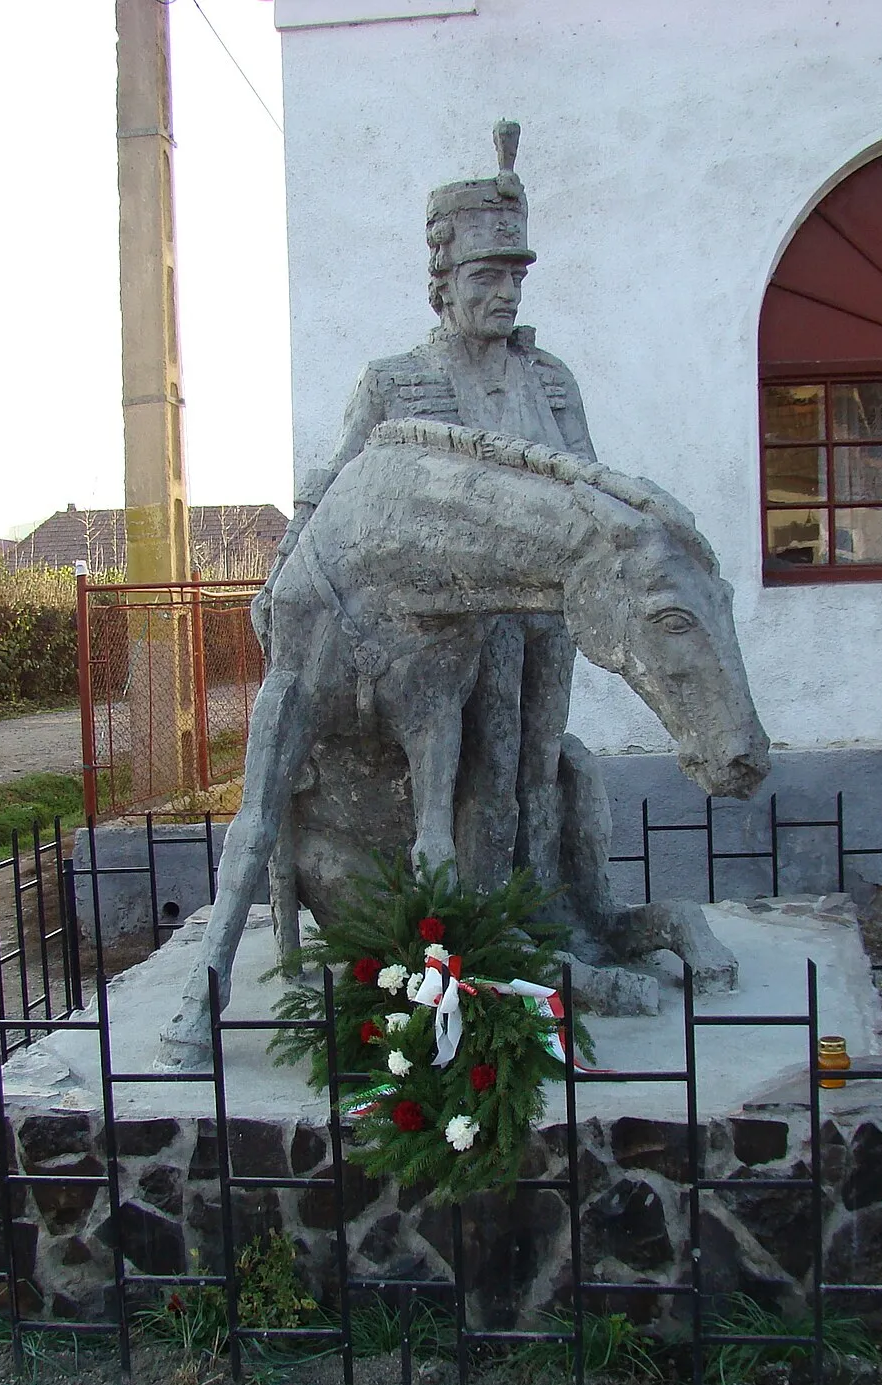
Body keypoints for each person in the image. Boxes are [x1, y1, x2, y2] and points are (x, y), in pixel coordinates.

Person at [260, 121, 592, 891]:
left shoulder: (551, 381)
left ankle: (543, 913)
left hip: (545, 617)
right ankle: (471, 927)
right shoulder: (397, 381)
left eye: (515, 278)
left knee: (536, 766)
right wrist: (282, 568)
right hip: (440, 632)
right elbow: (336, 482)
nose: (505, 294)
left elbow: (586, 486)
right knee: (481, 767)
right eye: (486, 277)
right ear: (444, 282)